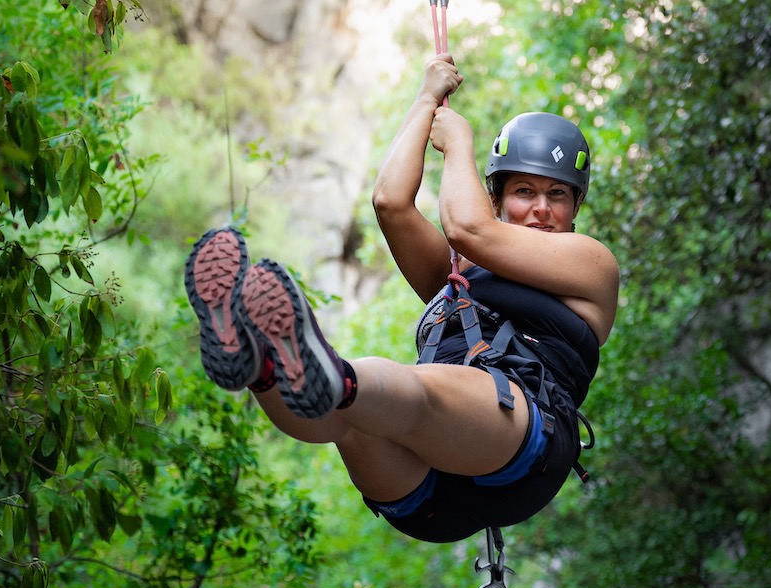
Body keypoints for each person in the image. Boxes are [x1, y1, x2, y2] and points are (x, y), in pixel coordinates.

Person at [184, 53, 619, 543]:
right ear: (498, 197)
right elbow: (390, 203)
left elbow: (468, 227)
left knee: (412, 391)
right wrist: (427, 97)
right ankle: (259, 367)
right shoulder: (458, 272)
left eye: (557, 195)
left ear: (576, 203)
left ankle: (334, 370)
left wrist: (459, 145)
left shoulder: (591, 263)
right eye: (524, 191)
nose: (541, 209)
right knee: (347, 419)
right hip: (425, 501)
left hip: (525, 447)